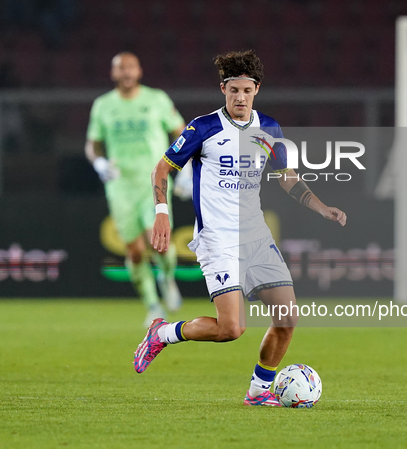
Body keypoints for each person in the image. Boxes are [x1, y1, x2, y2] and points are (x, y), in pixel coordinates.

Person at [133, 50, 347, 406]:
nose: (240, 98)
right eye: (233, 91)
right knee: (231, 329)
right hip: (218, 239)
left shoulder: (270, 129)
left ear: (256, 90)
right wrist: (161, 212)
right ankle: (164, 332)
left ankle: (259, 392)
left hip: (257, 237)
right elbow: (161, 169)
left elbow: (287, 178)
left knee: (288, 317)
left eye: (247, 91)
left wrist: (321, 207)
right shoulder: (202, 128)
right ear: (223, 89)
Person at [86, 52, 187, 326]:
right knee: (134, 250)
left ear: (139, 71)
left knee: (160, 244)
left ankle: (167, 278)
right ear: (113, 74)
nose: (126, 72)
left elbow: (180, 132)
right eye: (121, 68)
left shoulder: (157, 99)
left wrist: (186, 166)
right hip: (120, 185)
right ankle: (153, 306)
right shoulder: (103, 105)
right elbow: (92, 145)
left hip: (154, 180)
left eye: (130, 67)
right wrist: (99, 163)